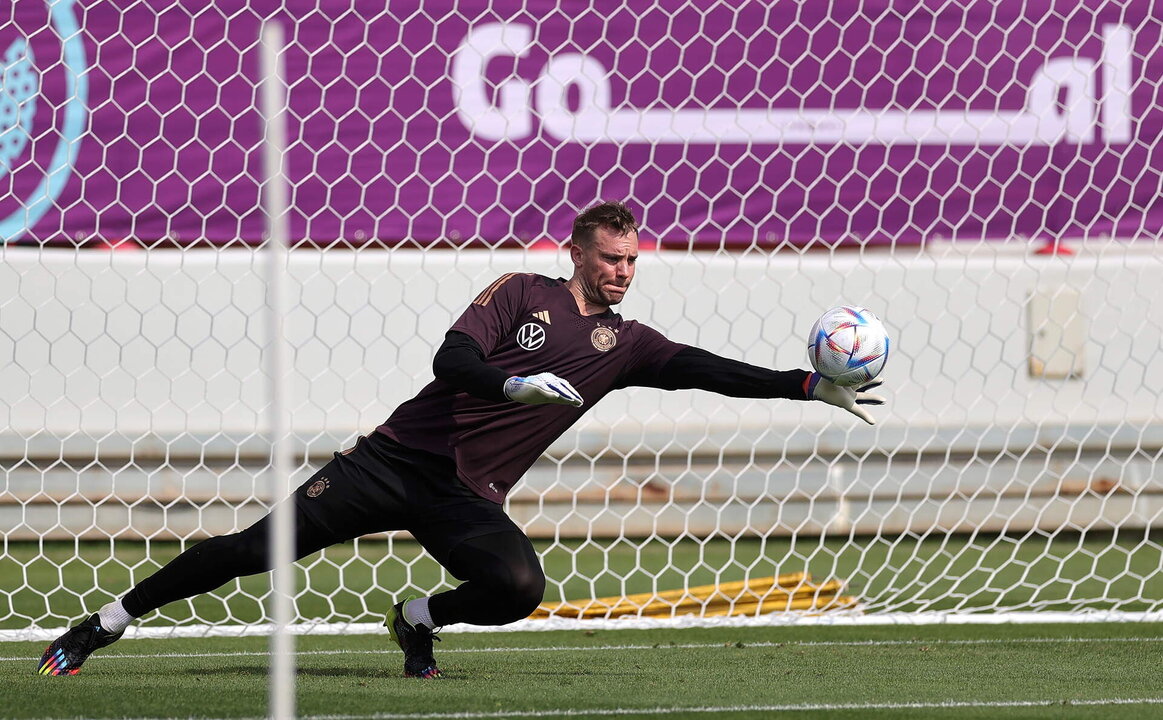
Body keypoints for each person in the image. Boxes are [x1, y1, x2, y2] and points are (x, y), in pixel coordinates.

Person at [36, 201, 885, 679]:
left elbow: (707, 368)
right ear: (578, 253)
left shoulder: (626, 345)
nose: (622, 271)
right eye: (610, 258)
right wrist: (507, 381)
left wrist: (808, 383)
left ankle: (415, 617)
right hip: (389, 463)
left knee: (517, 587)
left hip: (463, 497)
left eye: (631, 261)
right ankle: (106, 621)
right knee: (252, 551)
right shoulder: (521, 293)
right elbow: (450, 356)